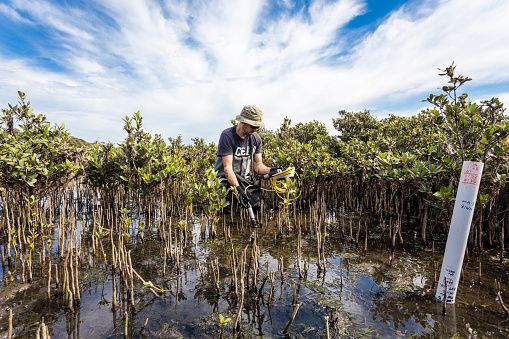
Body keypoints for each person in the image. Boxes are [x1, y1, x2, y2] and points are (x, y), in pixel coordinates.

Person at [215, 105, 281, 211]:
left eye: (257, 127)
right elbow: (227, 168)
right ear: (243, 122)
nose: (255, 129)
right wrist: (239, 191)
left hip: (244, 182)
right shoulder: (227, 136)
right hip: (226, 182)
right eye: (253, 126)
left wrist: (274, 171)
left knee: (255, 208)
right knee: (226, 215)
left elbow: (258, 167)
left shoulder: (256, 139)